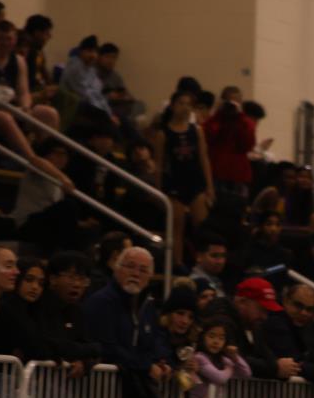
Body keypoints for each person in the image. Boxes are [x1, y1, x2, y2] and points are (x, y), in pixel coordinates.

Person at [0, 20, 69, 187]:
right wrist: (10, 109)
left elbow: (24, 92)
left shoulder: (19, 61)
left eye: (8, 39)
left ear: (14, 40)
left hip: (14, 109)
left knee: (48, 113)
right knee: (4, 117)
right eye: (0, 39)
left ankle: (50, 158)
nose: (4, 43)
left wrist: (25, 107)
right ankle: (33, 159)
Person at [83, 246, 169, 380]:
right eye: (130, 266)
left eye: (143, 270)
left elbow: (155, 340)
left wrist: (162, 361)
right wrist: (146, 366)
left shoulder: (148, 305)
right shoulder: (102, 301)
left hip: (134, 383)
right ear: (117, 269)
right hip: (103, 382)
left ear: (149, 277)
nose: (136, 274)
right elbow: (107, 347)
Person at [155, 90, 214, 264]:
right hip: (175, 185)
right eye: (181, 103)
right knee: (176, 229)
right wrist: (158, 190)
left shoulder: (197, 131)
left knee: (202, 228)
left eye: (189, 104)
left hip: (195, 183)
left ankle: (202, 264)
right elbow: (159, 165)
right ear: (173, 106)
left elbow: (204, 159)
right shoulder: (163, 134)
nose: (185, 107)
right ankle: (176, 265)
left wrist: (209, 187)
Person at [203, 91, 256, 199]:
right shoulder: (215, 120)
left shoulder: (245, 122)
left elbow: (248, 145)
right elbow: (208, 136)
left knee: (238, 206)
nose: (232, 105)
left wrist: (240, 116)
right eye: (229, 102)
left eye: (236, 102)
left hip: (239, 174)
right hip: (216, 172)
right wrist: (218, 113)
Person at [60, 36, 115, 122]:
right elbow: (86, 95)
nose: (93, 55)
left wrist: (109, 114)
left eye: (95, 52)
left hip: (89, 106)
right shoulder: (75, 67)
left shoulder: (91, 69)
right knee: (106, 120)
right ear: (81, 52)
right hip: (74, 107)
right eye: (89, 51)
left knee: (122, 120)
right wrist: (107, 115)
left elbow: (97, 94)